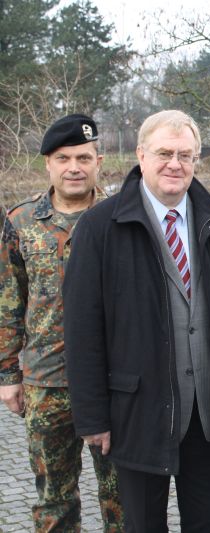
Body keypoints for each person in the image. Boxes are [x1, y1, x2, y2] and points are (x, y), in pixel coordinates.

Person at [62, 110, 210, 532]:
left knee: (208, 523)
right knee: (144, 525)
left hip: (208, 415)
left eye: (186, 155)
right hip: (138, 412)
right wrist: (92, 416)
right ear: (141, 155)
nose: (175, 164)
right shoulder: (100, 226)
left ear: (197, 160)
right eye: (165, 153)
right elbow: (82, 328)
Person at [0, 114, 123, 532]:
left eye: (84, 157)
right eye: (64, 157)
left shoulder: (121, 217)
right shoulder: (20, 222)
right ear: (48, 164)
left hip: (114, 381)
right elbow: (9, 302)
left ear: (99, 161)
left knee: (121, 496)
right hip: (46, 381)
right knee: (53, 498)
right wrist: (7, 374)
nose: (75, 166)